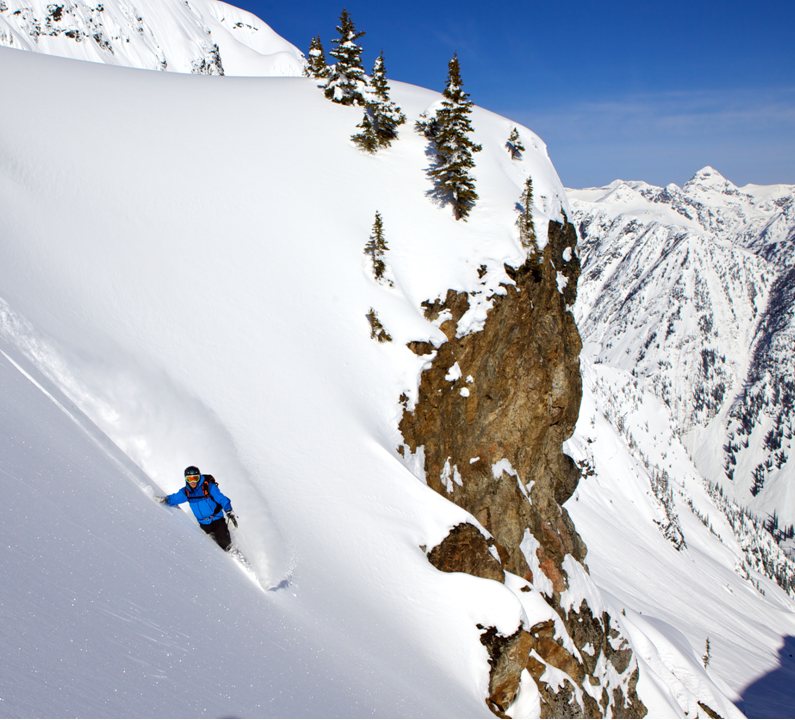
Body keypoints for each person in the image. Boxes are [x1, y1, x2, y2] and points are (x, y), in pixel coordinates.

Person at [157, 465, 238, 551]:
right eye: (189, 479)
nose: (193, 482)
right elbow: (175, 498)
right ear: (186, 479)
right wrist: (165, 500)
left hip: (217, 520)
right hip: (203, 524)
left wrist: (228, 510)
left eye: (195, 478)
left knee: (224, 543)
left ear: (199, 477)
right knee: (209, 547)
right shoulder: (186, 492)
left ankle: (232, 551)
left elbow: (222, 499)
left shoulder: (208, 487)